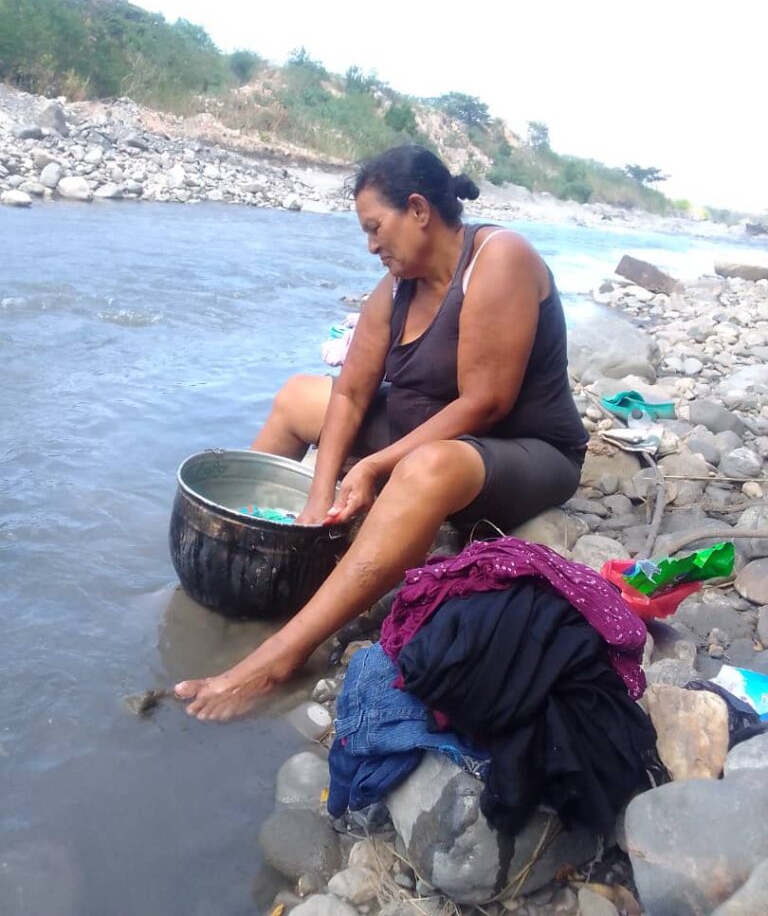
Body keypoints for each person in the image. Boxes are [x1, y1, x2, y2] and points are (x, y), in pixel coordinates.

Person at [175, 145, 588, 720]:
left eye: (375, 228)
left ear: (418, 210)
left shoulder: (499, 258)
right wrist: (318, 501)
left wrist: (374, 465)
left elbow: (486, 402)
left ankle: (282, 655)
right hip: (425, 430)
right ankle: (251, 560)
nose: (371, 246)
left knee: (426, 467)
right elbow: (348, 392)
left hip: (525, 447)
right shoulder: (397, 287)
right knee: (300, 395)